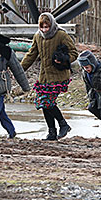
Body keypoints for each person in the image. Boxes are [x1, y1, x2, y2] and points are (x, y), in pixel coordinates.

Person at [21, 13, 78, 141]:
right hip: (44, 77)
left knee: (47, 102)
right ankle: (52, 132)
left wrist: (63, 60)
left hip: (59, 76)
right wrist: (20, 70)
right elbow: (31, 55)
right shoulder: (38, 37)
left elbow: (74, 53)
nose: (45, 30)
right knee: (44, 104)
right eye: (42, 27)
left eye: (47, 27)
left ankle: (63, 124)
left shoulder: (61, 35)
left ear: (51, 25)